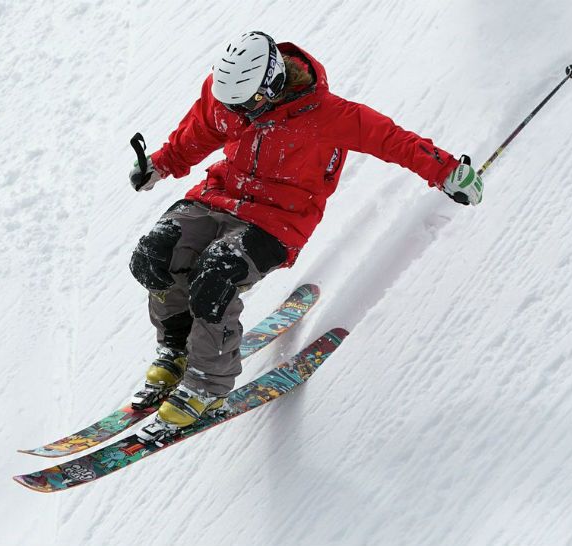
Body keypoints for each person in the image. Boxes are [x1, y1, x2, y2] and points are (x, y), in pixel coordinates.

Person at [127, 31, 482, 437]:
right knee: (154, 256)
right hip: (219, 197)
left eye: (247, 104)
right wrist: (161, 163)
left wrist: (447, 170)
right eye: (232, 104)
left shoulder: (329, 115)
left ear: (273, 81)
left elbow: (393, 141)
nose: (239, 112)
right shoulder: (228, 95)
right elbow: (203, 128)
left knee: (215, 276)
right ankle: (176, 349)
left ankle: (207, 384)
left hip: (277, 219)